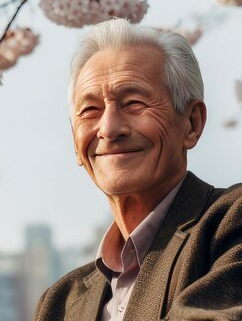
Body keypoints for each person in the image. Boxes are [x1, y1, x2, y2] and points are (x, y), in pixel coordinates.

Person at [33, 18, 242, 321]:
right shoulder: (59, 303)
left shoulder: (229, 226)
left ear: (192, 124)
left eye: (133, 102)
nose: (109, 128)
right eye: (90, 110)